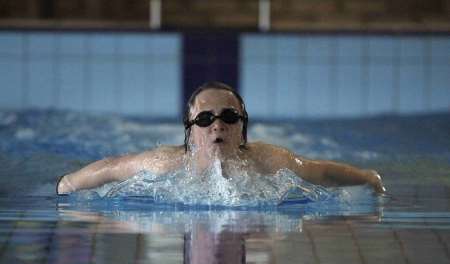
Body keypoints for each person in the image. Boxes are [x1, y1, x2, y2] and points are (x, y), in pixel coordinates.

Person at [56, 81, 385, 195]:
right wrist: (67, 184)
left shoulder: (269, 160)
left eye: (228, 117)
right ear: (191, 130)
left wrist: (369, 178)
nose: (217, 126)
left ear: (242, 127)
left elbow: (321, 171)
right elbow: (113, 167)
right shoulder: (165, 164)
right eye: (204, 118)